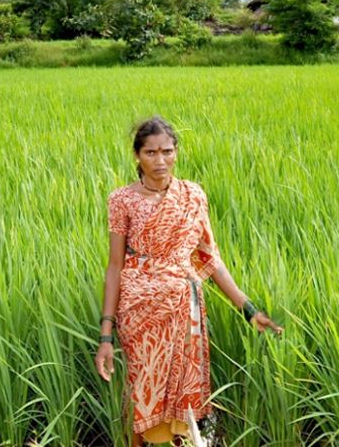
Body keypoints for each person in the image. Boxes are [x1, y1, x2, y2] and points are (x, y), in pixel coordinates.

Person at [95, 116, 283, 446]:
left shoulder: (192, 196)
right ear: (137, 155)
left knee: (183, 400)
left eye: (167, 151)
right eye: (151, 152)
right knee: (141, 391)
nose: (160, 160)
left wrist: (249, 309)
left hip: (185, 311)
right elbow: (114, 267)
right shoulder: (122, 199)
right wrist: (106, 334)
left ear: (177, 152)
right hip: (140, 312)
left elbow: (210, 260)